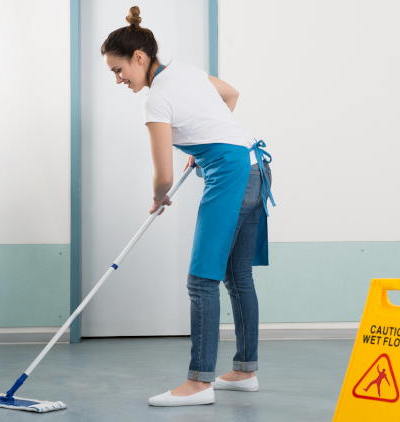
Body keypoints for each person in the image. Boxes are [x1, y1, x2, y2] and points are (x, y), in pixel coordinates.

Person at [100, 6, 275, 407]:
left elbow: (162, 176)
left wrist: (159, 197)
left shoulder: (157, 101)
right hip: (256, 169)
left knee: (201, 281)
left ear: (139, 58)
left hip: (231, 175)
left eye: (118, 69)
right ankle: (245, 371)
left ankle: (199, 383)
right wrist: (206, 138)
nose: (118, 79)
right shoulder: (187, 71)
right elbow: (231, 93)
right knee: (237, 274)